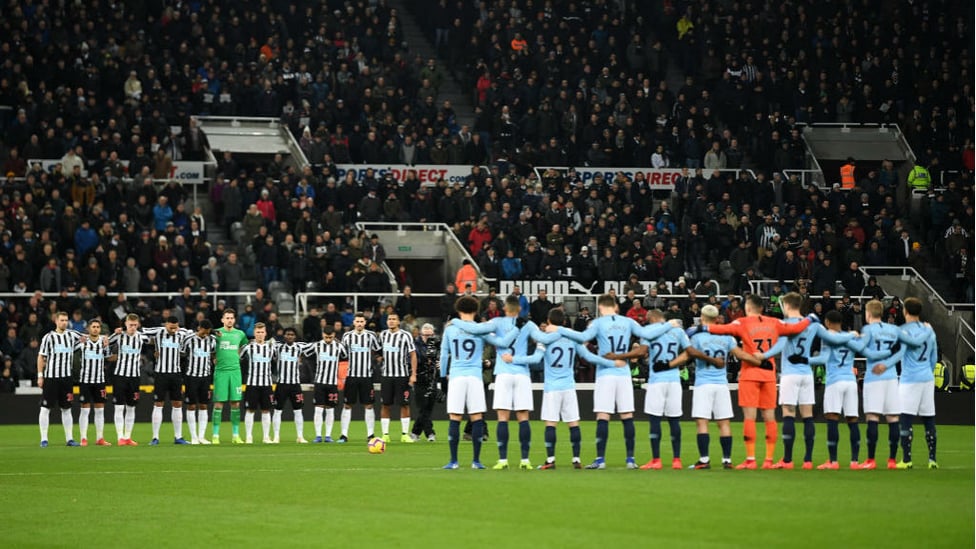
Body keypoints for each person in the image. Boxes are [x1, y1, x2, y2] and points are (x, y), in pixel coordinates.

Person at [555, 294, 679, 469]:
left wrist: (560, 330)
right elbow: (645, 333)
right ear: (615, 306)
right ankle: (630, 460)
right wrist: (668, 325)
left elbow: (582, 338)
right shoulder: (628, 321)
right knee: (627, 415)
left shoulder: (598, 323)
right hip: (623, 372)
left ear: (600, 307)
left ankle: (600, 460)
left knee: (603, 415)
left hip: (606, 374)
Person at [704, 294, 812, 469]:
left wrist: (701, 328)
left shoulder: (742, 323)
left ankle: (751, 459)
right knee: (770, 417)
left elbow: (719, 329)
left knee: (750, 417)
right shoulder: (775, 322)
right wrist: (810, 319)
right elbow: (796, 328)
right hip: (769, 374)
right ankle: (769, 460)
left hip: (750, 373)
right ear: (762, 308)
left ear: (747, 308)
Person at [451, 296, 557, 470]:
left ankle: (502, 460)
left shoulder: (497, 322)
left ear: (505, 308)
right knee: (523, 417)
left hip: (503, 373)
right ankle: (525, 460)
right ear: (519, 310)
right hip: (522, 373)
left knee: (503, 418)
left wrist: (455, 321)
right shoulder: (529, 325)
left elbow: (476, 329)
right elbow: (544, 339)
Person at [509, 308, 622, 469]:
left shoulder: (545, 339)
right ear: (564, 322)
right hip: (569, 386)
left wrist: (513, 359)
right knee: (573, 423)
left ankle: (550, 460)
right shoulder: (572, 338)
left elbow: (535, 359)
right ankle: (576, 458)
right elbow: (589, 357)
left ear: (548, 321)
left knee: (551, 423)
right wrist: (612, 363)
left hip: (552, 388)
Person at [605, 309, 690, 470]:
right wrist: (673, 364)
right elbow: (688, 353)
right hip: (674, 380)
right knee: (674, 420)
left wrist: (619, 356)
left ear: (652, 317)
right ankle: (676, 459)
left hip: (657, 380)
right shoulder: (678, 330)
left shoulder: (648, 331)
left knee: (655, 419)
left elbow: (642, 351)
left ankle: (656, 459)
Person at [440, 296, 517, 469]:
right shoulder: (481, 329)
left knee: (455, 417)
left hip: (457, 376)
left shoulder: (451, 329)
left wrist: (442, 376)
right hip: (475, 377)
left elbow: (444, 355)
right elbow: (502, 343)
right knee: (476, 417)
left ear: (458, 310)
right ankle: (476, 461)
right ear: (475, 311)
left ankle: (453, 461)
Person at [681, 305, 759, 469]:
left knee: (702, 422)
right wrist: (758, 361)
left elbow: (687, 355)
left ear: (702, 318)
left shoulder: (697, 338)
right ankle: (727, 460)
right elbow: (740, 355)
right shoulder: (727, 337)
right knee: (724, 423)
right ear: (717, 319)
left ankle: (704, 460)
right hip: (721, 384)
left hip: (703, 383)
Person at [756, 292, 825, 469]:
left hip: (790, 373)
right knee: (808, 415)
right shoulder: (813, 324)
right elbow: (832, 339)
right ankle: (808, 460)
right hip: (806, 373)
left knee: (788, 413)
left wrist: (764, 355)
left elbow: (779, 346)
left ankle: (787, 460)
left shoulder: (785, 324)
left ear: (787, 306)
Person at [808, 311, 864, 469]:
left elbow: (824, 358)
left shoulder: (827, 337)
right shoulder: (850, 337)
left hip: (835, 381)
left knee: (832, 418)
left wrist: (806, 360)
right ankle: (854, 462)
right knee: (852, 419)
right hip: (851, 382)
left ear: (827, 321)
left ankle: (833, 461)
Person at [857, 299, 906, 470]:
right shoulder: (893, 329)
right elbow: (902, 350)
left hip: (874, 377)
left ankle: (871, 460)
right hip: (892, 377)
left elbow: (860, 348)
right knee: (893, 417)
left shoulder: (868, 329)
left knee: (873, 417)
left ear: (868, 313)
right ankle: (892, 460)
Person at [895, 297, 939, 469]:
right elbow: (934, 357)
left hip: (910, 379)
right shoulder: (929, 330)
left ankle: (907, 459)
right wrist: (927, 371)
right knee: (929, 418)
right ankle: (932, 459)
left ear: (905, 311)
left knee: (906, 417)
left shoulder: (904, 331)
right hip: (927, 378)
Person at [142, 316, 193, 445]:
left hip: (176, 374)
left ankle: (178, 437)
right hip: (161, 374)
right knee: (158, 404)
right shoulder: (158, 331)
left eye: (175, 328)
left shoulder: (182, 333)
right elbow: (142, 331)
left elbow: (193, 333)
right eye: (171, 328)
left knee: (177, 404)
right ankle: (155, 437)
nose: (173, 330)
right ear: (166, 325)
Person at [37, 311, 84, 447]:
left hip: (66, 378)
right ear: (56, 321)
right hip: (51, 377)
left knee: (67, 408)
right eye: (62, 320)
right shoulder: (49, 337)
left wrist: (104, 339)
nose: (64, 322)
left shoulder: (71, 335)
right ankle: (44, 439)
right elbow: (41, 356)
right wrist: (40, 376)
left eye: (66, 320)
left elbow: (88, 337)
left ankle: (69, 439)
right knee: (45, 408)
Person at [340, 313, 382, 442]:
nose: (359, 323)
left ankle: (370, 434)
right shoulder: (347, 336)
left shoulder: (371, 336)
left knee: (368, 405)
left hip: (366, 376)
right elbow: (342, 353)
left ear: (365, 323)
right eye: (357, 321)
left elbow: (378, 351)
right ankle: (344, 435)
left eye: (361, 321)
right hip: (351, 375)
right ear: (354, 322)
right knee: (347, 404)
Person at [109, 314, 150, 445]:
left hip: (135, 376)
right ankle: (120, 436)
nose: (132, 327)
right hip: (120, 375)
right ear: (125, 324)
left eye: (135, 325)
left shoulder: (142, 337)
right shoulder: (119, 335)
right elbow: (105, 342)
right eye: (130, 325)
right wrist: (113, 333)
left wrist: (158, 351)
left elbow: (156, 340)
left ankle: (127, 437)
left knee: (131, 407)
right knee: (119, 407)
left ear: (138, 325)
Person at [378, 312, 417, 443]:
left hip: (402, 375)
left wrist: (413, 374)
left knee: (404, 404)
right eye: (389, 319)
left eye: (394, 319)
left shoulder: (406, 336)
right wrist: (378, 357)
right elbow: (377, 351)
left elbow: (413, 355)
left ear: (399, 322)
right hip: (386, 375)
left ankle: (405, 434)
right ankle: (385, 434)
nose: (391, 321)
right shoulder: (383, 335)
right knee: (385, 404)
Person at [304, 325, 347, 442]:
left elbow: (346, 355)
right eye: (326, 337)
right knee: (318, 409)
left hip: (332, 382)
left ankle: (328, 436)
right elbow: (304, 351)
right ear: (323, 335)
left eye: (330, 337)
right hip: (319, 382)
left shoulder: (339, 346)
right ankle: (318, 435)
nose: (328, 340)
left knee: (330, 409)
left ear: (334, 335)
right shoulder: (317, 345)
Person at [212, 309, 249, 444]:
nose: (229, 320)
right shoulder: (216, 333)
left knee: (235, 403)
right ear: (222, 320)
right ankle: (215, 436)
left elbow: (244, 346)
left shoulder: (240, 334)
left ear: (234, 320)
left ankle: (235, 435)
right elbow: (209, 347)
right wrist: (213, 357)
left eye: (231, 318)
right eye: (227, 318)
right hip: (221, 372)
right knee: (219, 403)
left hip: (235, 372)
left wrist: (236, 356)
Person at [180, 319, 217, 445]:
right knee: (191, 406)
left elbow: (213, 354)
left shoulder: (212, 340)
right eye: (203, 332)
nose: (205, 335)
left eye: (207, 332)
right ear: (199, 328)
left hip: (205, 377)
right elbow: (182, 356)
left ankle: (201, 436)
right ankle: (193, 437)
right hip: (191, 377)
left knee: (204, 405)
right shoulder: (189, 339)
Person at [75, 319, 111, 446]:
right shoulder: (83, 341)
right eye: (93, 327)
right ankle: (83, 438)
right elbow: (71, 350)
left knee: (100, 409)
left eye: (98, 327)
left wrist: (108, 345)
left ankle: (100, 438)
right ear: (89, 328)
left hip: (99, 380)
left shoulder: (103, 341)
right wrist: (78, 342)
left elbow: (108, 357)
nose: (96, 329)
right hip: (85, 380)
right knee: (85, 409)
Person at [240, 323, 276, 444]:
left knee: (266, 410)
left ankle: (266, 437)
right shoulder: (248, 347)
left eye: (262, 332)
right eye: (258, 332)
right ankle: (249, 436)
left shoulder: (272, 347)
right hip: (252, 383)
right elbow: (237, 358)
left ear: (265, 333)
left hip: (267, 383)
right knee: (250, 410)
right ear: (254, 333)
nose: (260, 334)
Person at [272, 327, 308, 443]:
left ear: (295, 337)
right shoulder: (278, 347)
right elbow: (267, 344)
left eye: (292, 334)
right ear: (284, 336)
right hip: (281, 384)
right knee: (277, 410)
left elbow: (314, 346)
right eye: (287, 334)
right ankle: (276, 436)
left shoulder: (299, 346)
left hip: (295, 385)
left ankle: (300, 436)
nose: (290, 336)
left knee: (298, 410)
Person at [411, 323, 440, 442]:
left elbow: (442, 357)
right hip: (419, 378)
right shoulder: (415, 345)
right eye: (425, 331)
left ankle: (415, 432)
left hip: (432, 378)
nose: (427, 334)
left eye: (430, 331)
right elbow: (413, 359)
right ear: (421, 333)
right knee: (423, 406)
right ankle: (430, 433)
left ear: (433, 333)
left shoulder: (438, 345)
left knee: (428, 407)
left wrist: (440, 363)